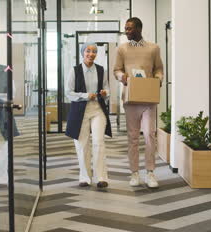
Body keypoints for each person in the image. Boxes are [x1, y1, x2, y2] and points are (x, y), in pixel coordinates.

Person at [113, 17, 164, 188]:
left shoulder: (153, 48)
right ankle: (134, 173)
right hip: (130, 98)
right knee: (133, 137)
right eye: (125, 29)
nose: (126, 31)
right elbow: (116, 70)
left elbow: (159, 69)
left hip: (148, 99)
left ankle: (150, 172)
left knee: (150, 135)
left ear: (139, 28)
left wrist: (158, 79)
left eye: (129, 29)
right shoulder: (122, 49)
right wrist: (122, 77)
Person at [65, 43, 112, 188]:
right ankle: (85, 177)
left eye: (94, 51)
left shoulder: (101, 70)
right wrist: (85, 95)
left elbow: (107, 89)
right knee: (82, 144)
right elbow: (68, 92)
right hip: (80, 112)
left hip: (98, 110)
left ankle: (101, 177)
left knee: (98, 142)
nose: (91, 54)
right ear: (82, 53)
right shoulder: (75, 71)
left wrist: (105, 93)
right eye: (88, 51)